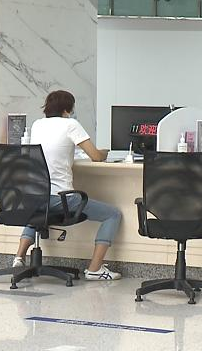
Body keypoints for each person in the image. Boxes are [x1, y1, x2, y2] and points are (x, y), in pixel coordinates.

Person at [15, 90, 122, 280]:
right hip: (60, 199)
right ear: (67, 109)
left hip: (31, 197)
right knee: (113, 214)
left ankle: (18, 258)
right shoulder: (70, 124)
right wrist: (104, 153)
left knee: (37, 210)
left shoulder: (38, 124)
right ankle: (95, 268)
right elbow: (95, 156)